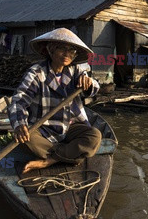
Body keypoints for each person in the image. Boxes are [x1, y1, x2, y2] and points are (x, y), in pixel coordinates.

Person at [7, 28, 102, 173]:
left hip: (70, 126)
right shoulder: (37, 72)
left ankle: (49, 161)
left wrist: (89, 83)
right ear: (50, 50)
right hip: (44, 129)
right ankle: (71, 155)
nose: (67, 54)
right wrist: (19, 123)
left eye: (71, 51)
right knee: (27, 138)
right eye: (62, 49)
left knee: (94, 136)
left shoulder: (76, 71)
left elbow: (95, 87)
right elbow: (19, 100)